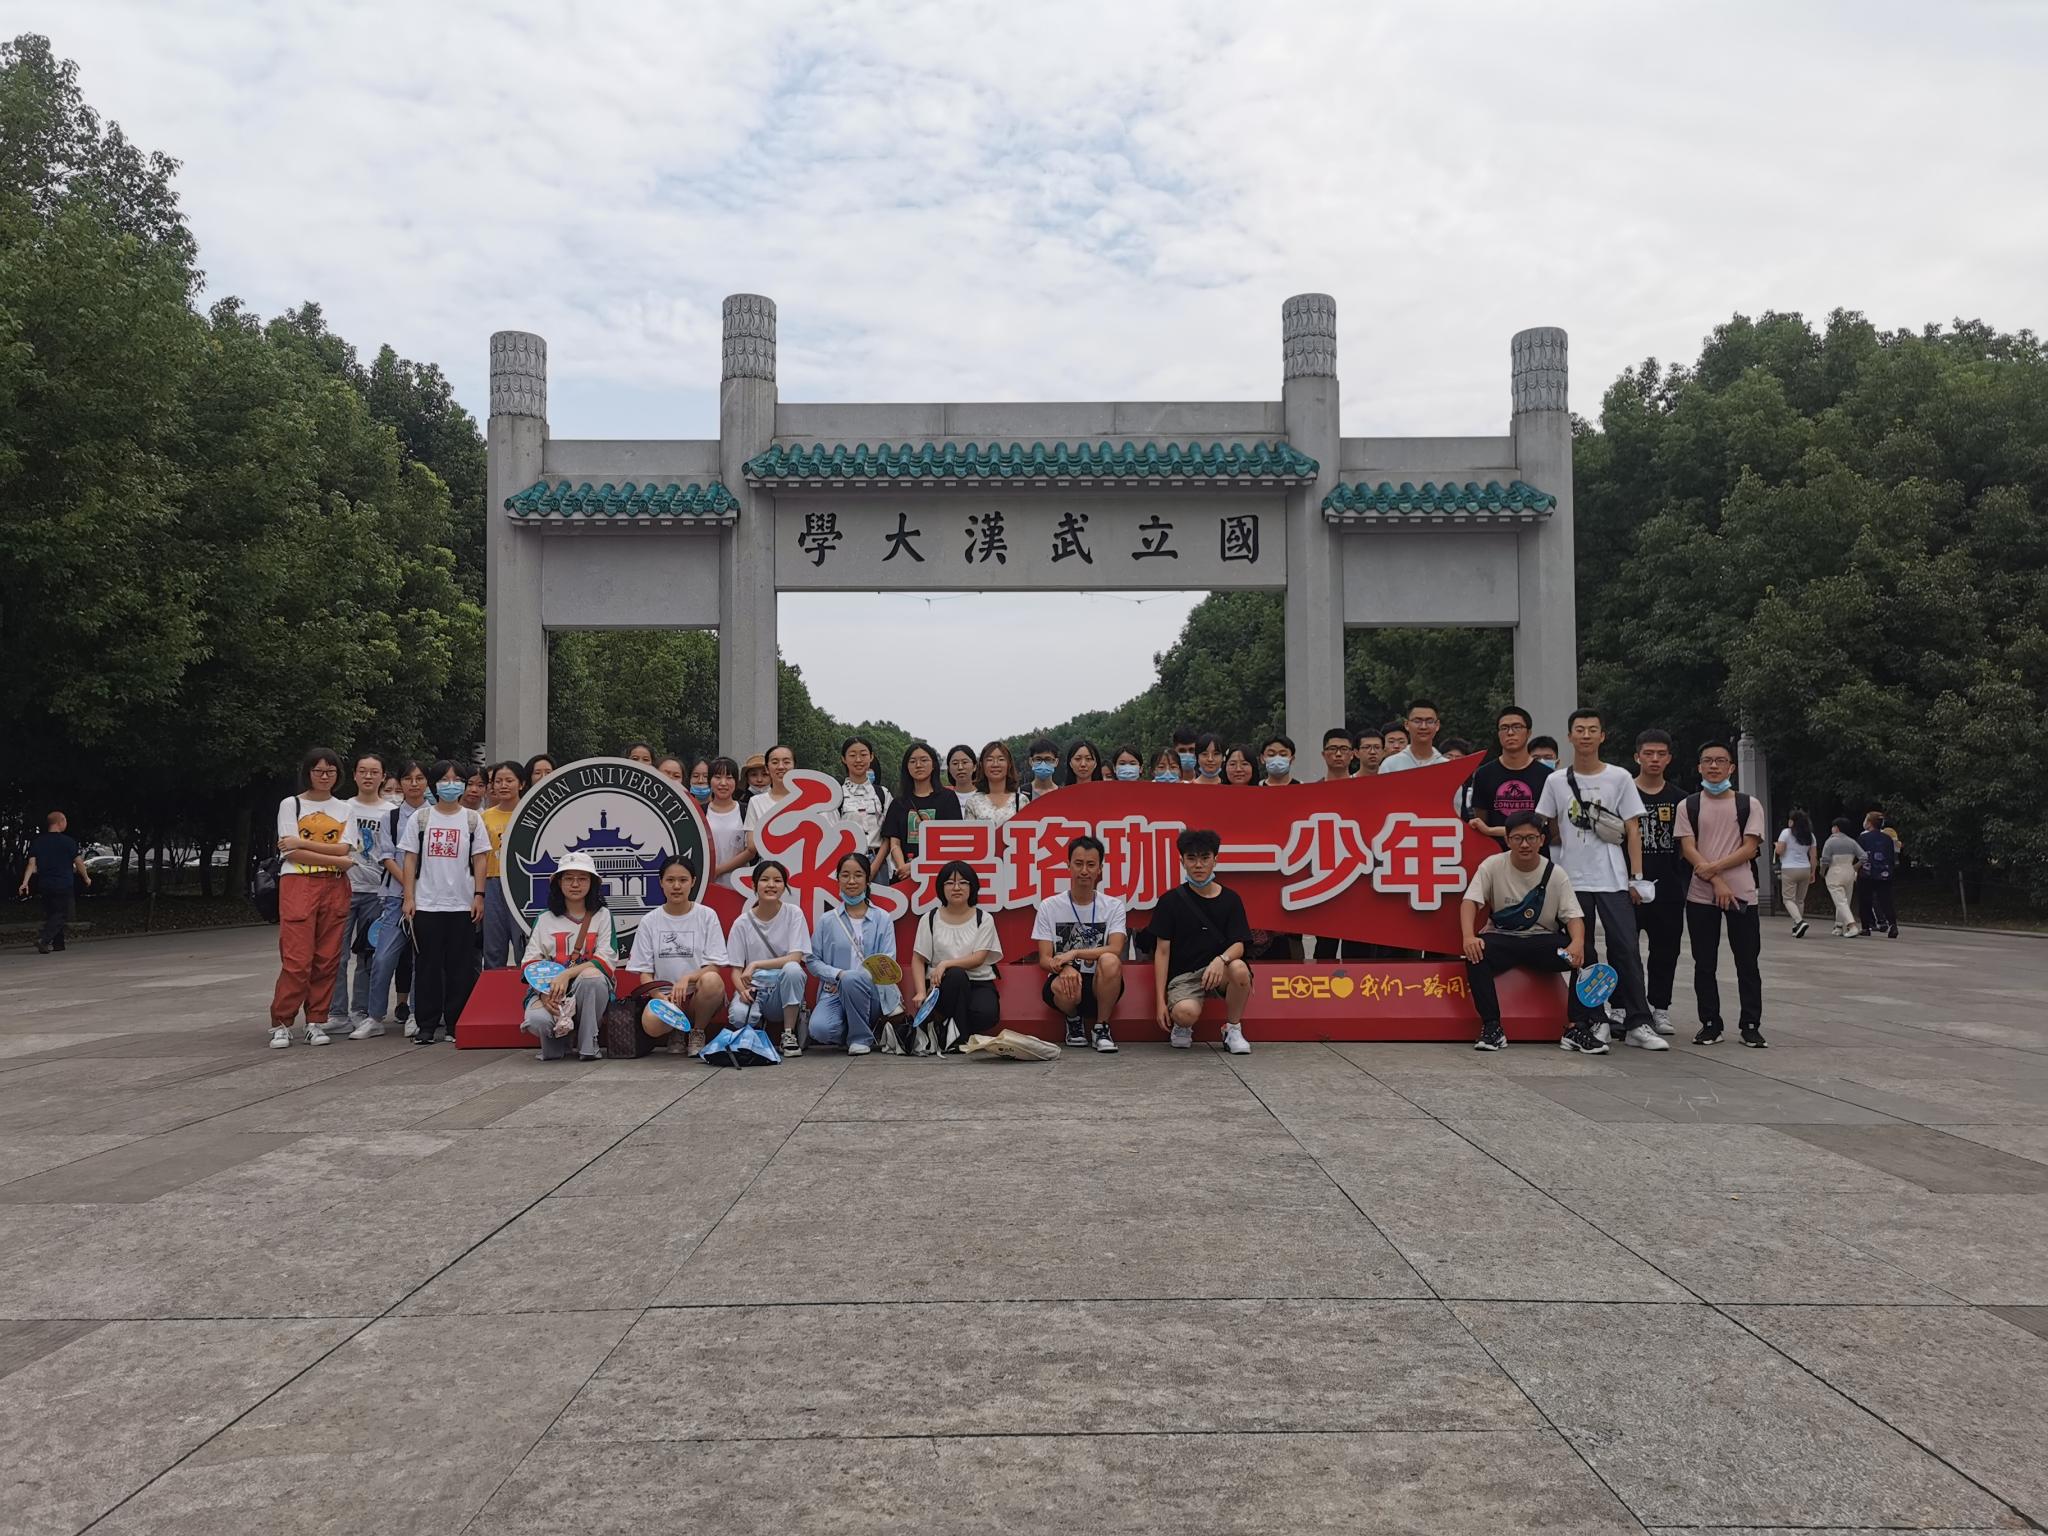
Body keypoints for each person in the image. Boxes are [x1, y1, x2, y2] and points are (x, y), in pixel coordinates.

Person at [1533, 710, 1665, 1051]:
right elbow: (1544, 826)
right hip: (1572, 881)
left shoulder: (1619, 777)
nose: (1586, 735)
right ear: (1570, 736)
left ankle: (1638, 1022)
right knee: (1582, 951)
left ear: (1602, 736)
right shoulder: (1556, 781)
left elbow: (1633, 829)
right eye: (1580, 730)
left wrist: (1637, 877)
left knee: (1626, 948)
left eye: (1593, 730)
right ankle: (1593, 1021)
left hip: (1612, 878)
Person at [1459, 811, 1592, 1053]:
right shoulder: (1493, 865)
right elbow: (1470, 901)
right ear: (1507, 840)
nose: (1524, 844)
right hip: (1503, 941)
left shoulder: (1556, 874)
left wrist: (1577, 943)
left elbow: (1573, 916)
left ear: (1542, 840)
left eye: (1531, 838)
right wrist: (1469, 937)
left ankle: (1577, 1027)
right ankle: (1492, 1027)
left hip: (1545, 946)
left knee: (1587, 956)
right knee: (1476, 953)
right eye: (1517, 838)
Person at [1676, 742, 1770, 1047]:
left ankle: (1750, 1025)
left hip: (1742, 892)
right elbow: (1688, 847)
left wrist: (1713, 869)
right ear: (1699, 767)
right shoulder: (1688, 805)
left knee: (1747, 961)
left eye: (1720, 761)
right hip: (1701, 894)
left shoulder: (1748, 804)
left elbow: (1750, 848)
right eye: (1707, 761)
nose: (1713, 766)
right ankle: (1710, 1023)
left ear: (1731, 767)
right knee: (1704, 962)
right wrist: (1717, 881)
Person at [268, 748, 357, 1049]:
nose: (324, 776)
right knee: (297, 960)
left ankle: (316, 1020)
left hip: (334, 886)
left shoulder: (345, 808)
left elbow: (345, 848)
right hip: (298, 882)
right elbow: (291, 852)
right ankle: (281, 1022)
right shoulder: (291, 804)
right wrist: (338, 859)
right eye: (318, 770)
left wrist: (304, 843)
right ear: (307, 773)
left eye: (330, 771)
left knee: (327, 958)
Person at [400, 759, 491, 1047]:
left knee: (460, 967)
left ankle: (455, 1023)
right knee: (427, 966)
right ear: (434, 784)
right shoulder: (421, 819)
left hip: (462, 905)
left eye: (457, 780)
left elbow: (480, 859)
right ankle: (426, 1025)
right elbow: (410, 858)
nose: (451, 785)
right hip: (427, 903)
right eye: (444, 779)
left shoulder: (472, 820)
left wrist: (479, 896)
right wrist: (409, 897)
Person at [1148, 828, 1253, 1053]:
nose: (1198, 865)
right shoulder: (1169, 901)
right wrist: (1160, 1001)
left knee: (1239, 969)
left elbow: (1239, 944)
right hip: (1185, 976)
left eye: (1205, 858)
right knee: (1185, 1013)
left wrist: (1221, 960)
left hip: (1220, 971)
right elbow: (1162, 952)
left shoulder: (1231, 899)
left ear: (1215, 860)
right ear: (1182, 861)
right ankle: (1182, 1027)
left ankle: (1233, 1029)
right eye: (1192, 858)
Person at [518, 851, 620, 1061]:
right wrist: (545, 994)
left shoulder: (602, 916)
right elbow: (531, 963)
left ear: (592, 883)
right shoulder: (544, 918)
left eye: (582, 878)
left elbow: (605, 961)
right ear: (559, 882)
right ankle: (559, 1042)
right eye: (569, 878)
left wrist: (567, 975)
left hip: (588, 991)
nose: (575, 884)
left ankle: (588, 1044)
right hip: (551, 991)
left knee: (592, 977)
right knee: (537, 1020)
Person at [625, 855, 727, 1056]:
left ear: (693, 882)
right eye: (670, 880)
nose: (677, 886)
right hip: (666, 996)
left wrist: (687, 978)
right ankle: (676, 1031)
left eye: (683, 880)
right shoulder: (650, 921)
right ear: (661, 882)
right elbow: (645, 973)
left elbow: (715, 965)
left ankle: (697, 1031)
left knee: (712, 980)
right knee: (651, 1023)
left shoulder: (706, 915)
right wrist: (659, 997)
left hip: (697, 996)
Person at [1034, 834, 1127, 1052]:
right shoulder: (1049, 906)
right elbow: (1044, 958)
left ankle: (1101, 1027)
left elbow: (1115, 948)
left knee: (1111, 961)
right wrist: (1064, 967)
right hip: (1064, 984)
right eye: (1078, 864)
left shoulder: (1113, 906)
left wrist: (1074, 953)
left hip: (1100, 984)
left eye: (1091, 865)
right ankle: (1073, 1020)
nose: (1084, 870)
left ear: (1100, 869)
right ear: (1068, 865)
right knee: (1064, 983)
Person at [806, 850, 899, 1055]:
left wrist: (855, 980)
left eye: (858, 875)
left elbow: (887, 960)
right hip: (834, 991)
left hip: (872, 993)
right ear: (838, 879)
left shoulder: (882, 918)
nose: (851, 881)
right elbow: (812, 960)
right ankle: (854, 1029)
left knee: (851, 980)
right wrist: (838, 975)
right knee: (820, 1030)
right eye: (845, 875)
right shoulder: (828, 920)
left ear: (867, 879)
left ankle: (860, 1038)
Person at [907, 860, 1001, 1054]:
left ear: (972, 887)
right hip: (942, 986)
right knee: (956, 975)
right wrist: (921, 992)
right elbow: (918, 959)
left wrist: (945, 963)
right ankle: (959, 1039)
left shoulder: (984, 919)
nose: (956, 888)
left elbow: (978, 958)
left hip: (978, 983)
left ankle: (948, 1030)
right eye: (950, 883)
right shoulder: (930, 919)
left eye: (963, 882)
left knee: (987, 1014)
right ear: (941, 888)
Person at [1630, 728, 1687, 1035]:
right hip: (1628, 889)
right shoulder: (1623, 793)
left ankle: (1660, 1008)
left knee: (1666, 951)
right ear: (1636, 756)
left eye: (1660, 754)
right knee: (1625, 950)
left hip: (1668, 888)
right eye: (1648, 753)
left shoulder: (1681, 800)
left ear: (1669, 758)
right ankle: (1625, 1006)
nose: (1654, 759)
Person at [331, 752, 392, 1034]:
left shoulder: (390, 812)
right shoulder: (342, 808)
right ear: (354, 775)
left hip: (377, 892)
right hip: (343, 888)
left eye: (374, 771)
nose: (368, 776)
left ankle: (361, 1011)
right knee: (337, 954)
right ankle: (336, 1012)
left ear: (383, 777)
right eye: (363, 771)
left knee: (368, 955)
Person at [726, 859, 812, 1054]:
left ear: (784, 886)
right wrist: (742, 991)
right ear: (754, 885)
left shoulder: (793, 914)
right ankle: (754, 1037)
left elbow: (795, 957)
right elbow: (736, 970)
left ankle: (788, 1034)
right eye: (765, 880)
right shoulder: (742, 923)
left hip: (782, 991)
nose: (771, 885)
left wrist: (755, 964)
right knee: (739, 1016)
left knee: (793, 969)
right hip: (754, 990)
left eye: (778, 880)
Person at [369, 759, 430, 1035]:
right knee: (383, 958)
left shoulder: (437, 815)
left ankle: (417, 1013)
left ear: (427, 782)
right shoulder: (391, 818)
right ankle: (374, 1016)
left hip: (429, 899)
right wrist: (408, 887)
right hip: (396, 897)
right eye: (408, 779)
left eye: (419, 778)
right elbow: (387, 856)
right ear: (400, 782)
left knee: (423, 960)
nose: (413, 784)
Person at [1466, 707, 1553, 845]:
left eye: (1517, 727)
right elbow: (1481, 823)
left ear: (1529, 732)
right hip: (1496, 852)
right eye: (1504, 728)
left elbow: (1549, 827)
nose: (1510, 733)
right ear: (1498, 733)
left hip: (1536, 853)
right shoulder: (1483, 774)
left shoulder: (1547, 775)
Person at [878, 742, 962, 876]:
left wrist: (917, 866)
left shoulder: (948, 798)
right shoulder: (899, 803)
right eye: (912, 761)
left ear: (934, 765)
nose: (918, 765)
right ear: (906, 767)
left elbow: (952, 840)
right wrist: (902, 867)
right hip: (904, 873)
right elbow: (894, 843)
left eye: (924, 760)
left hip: (939, 872)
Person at [19, 810, 90, 954]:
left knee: (52, 913)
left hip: (45, 883)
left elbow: (31, 865)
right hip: (63, 883)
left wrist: (25, 882)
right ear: (60, 822)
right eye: (65, 821)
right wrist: (86, 877)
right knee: (61, 914)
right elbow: (78, 862)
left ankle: (59, 944)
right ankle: (44, 940)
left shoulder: (38, 842)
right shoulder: (68, 842)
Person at [479, 760, 526, 971]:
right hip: (492, 883)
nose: (503, 785)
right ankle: (494, 988)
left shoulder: (529, 812)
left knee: (524, 946)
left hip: (521, 884)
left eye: (509, 780)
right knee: (493, 947)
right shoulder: (484, 817)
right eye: (498, 781)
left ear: (521, 784)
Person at [740, 744, 800, 862]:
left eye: (786, 762)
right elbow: (752, 845)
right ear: (767, 768)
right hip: (768, 869)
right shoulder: (756, 802)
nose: (781, 767)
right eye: (775, 762)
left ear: (794, 766)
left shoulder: (808, 799)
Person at [837, 736, 891, 854]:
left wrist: (876, 863)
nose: (858, 760)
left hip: (878, 859)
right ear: (843, 759)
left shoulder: (883, 794)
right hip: (847, 860)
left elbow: (890, 835)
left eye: (863, 754)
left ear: (871, 757)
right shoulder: (837, 795)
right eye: (852, 755)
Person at [704, 757, 751, 891]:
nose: (723, 783)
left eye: (729, 778)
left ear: (736, 781)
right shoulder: (700, 812)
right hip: (707, 886)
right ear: (710, 781)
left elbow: (751, 851)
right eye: (717, 777)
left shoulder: (746, 810)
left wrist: (718, 870)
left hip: (740, 887)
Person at [963, 740, 1031, 825]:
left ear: (1009, 764)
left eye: (1001, 759)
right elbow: (969, 832)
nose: (995, 764)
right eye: (990, 760)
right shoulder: (973, 802)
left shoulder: (1021, 800)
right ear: (981, 765)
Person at [1858, 811, 1900, 939]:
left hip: (1867, 873)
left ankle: (1866, 927)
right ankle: (1892, 924)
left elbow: (1860, 855)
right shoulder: (1887, 838)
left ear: (1869, 823)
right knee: (1886, 900)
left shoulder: (1863, 838)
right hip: (1884, 873)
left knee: (1865, 900)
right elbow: (1891, 856)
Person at [1775, 810, 1817, 938]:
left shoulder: (1786, 833)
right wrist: (1813, 872)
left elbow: (1780, 851)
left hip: (1789, 868)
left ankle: (1799, 922)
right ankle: (1796, 927)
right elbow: (1813, 856)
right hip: (1805, 868)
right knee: (1800, 900)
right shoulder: (1810, 836)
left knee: (1788, 899)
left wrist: (1776, 846)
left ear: (1792, 821)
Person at [1821, 818, 1866, 936]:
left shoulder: (1830, 842)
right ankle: (1839, 926)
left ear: (1836, 828)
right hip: (1849, 871)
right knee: (1845, 900)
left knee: (1840, 901)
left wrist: (1822, 872)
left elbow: (1825, 860)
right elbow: (1864, 857)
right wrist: (1855, 867)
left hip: (1835, 871)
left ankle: (1852, 926)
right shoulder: (1852, 842)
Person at [1379, 701, 1446, 772]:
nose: (1423, 727)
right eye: (1417, 721)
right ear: (1407, 724)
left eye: (1429, 721)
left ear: (1437, 725)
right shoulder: (1390, 765)